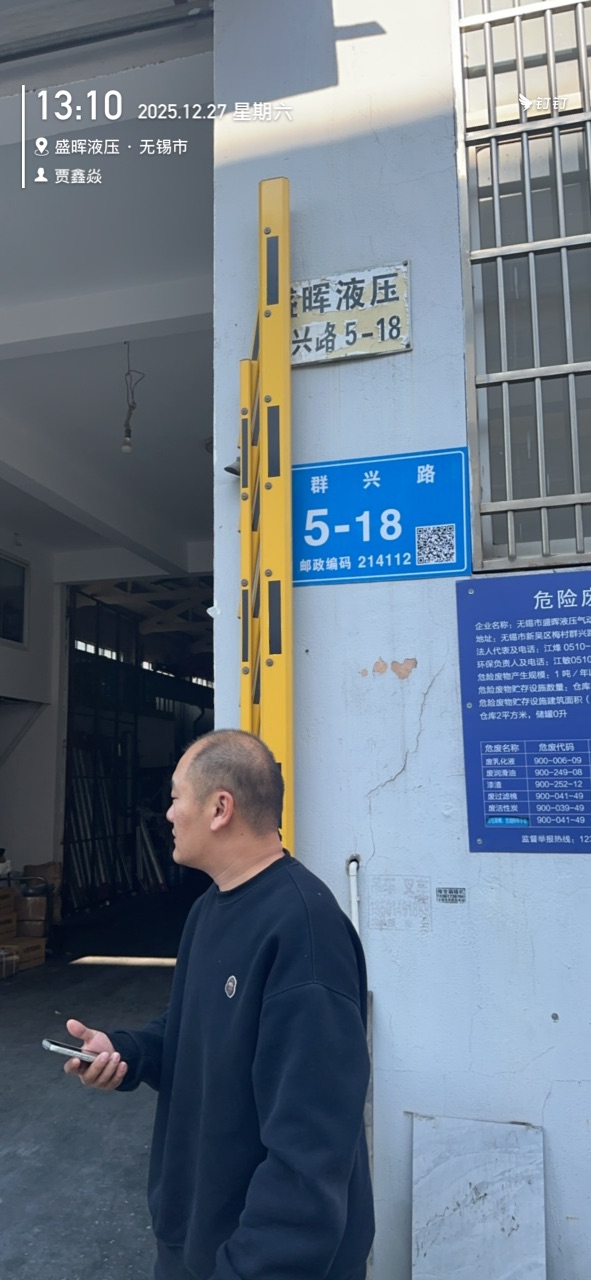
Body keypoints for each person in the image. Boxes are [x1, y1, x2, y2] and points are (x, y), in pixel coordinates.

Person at [64, 729, 374, 1280]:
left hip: (252, 1261)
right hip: (195, 1243)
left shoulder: (305, 934)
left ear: (219, 808)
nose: (167, 814)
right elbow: (198, 1030)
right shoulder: (211, 908)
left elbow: (309, 1152)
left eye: (176, 797)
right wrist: (128, 1052)